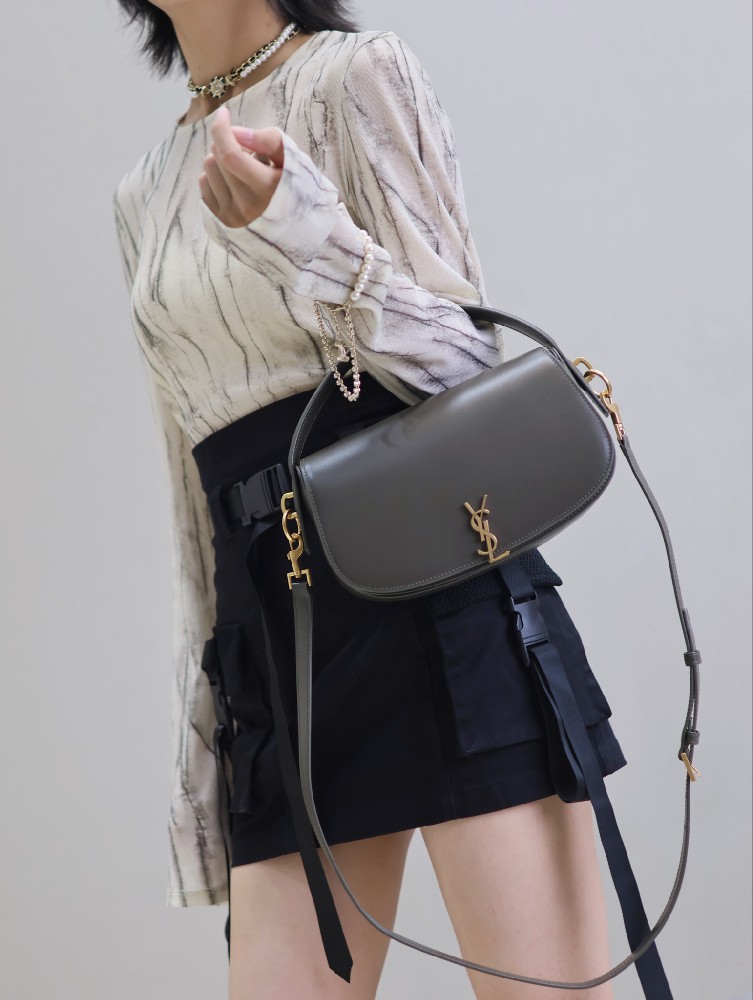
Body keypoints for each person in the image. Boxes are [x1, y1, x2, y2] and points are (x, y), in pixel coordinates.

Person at [112, 2, 628, 997]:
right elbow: (191, 498)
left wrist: (295, 228)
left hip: (438, 599)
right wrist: (205, 750)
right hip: (277, 646)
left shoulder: (356, 76)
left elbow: (461, 367)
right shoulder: (144, 191)